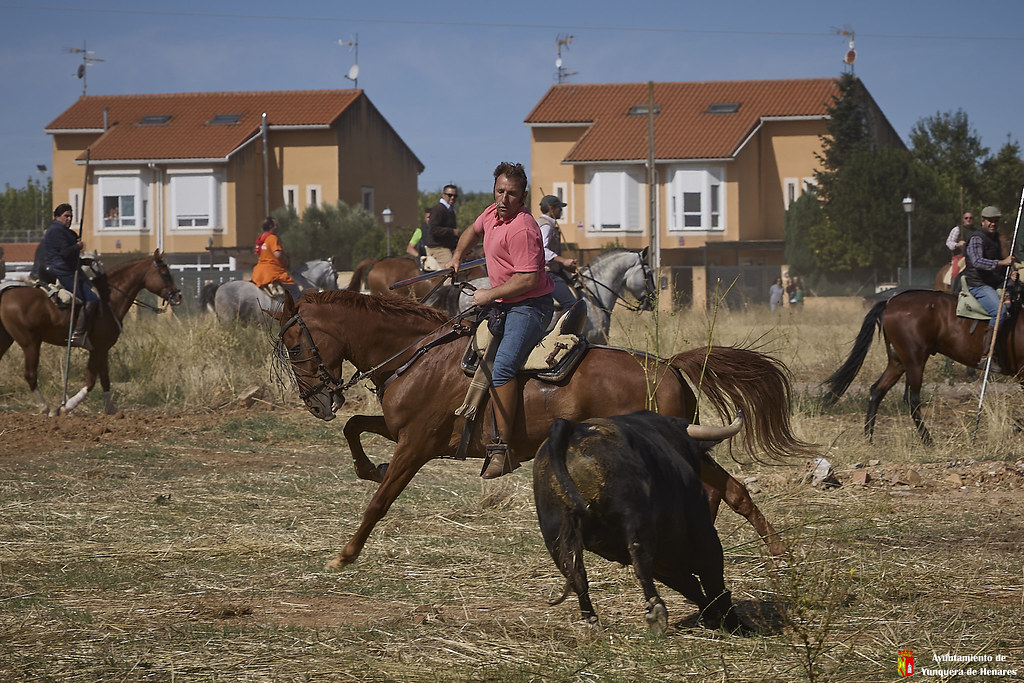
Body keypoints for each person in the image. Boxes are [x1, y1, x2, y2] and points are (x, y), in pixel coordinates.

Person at [445, 162, 554, 479]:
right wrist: (457, 256)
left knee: (504, 366)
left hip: (529, 306)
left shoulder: (523, 228)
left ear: (523, 197)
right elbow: (471, 231)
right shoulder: (492, 213)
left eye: (512, 194)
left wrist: (489, 294)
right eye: (500, 191)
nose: (504, 198)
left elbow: (528, 280)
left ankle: (503, 449)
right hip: (503, 303)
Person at [964, 205, 1015, 371]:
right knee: (998, 312)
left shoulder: (996, 238)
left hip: (993, 282)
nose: (993, 223)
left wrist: (1009, 273)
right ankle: (987, 356)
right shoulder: (977, 238)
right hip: (978, 284)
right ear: (983, 221)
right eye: (990, 221)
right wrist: (1001, 263)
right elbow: (977, 261)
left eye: (996, 221)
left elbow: (1001, 262)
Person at [43, 203, 98, 349]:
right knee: (92, 299)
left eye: (71, 216)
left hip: (66, 267)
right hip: (63, 271)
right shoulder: (56, 231)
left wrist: (82, 261)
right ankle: (78, 335)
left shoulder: (62, 231)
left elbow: (68, 255)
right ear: (57, 217)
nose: (69, 219)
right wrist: (78, 247)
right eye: (66, 216)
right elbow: (65, 253)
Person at [536, 194, 578, 310]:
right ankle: (562, 328)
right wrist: (563, 261)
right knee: (571, 304)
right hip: (547, 273)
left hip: (553, 271)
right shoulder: (546, 226)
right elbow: (543, 250)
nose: (561, 210)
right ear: (551, 208)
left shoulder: (547, 224)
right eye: (559, 208)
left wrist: (564, 266)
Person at [251, 217, 301, 300]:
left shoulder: (261, 238)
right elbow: (277, 254)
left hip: (259, 273)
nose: (277, 228)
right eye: (276, 225)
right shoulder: (272, 238)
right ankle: (292, 311)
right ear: (271, 227)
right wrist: (285, 253)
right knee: (295, 291)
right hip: (274, 272)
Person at [424, 185, 460, 266]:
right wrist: (452, 232)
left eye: (455, 196)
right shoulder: (438, 209)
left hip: (449, 246)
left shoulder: (450, 210)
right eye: (450, 195)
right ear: (443, 195)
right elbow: (433, 229)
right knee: (451, 267)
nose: (453, 198)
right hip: (438, 248)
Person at [945, 211, 973, 293]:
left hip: (972, 257)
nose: (968, 220)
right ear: (963, 219)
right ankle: (954, 291)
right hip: (960, 257)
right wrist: (957, 244)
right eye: (966, 218)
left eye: (970, 218)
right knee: (956, 271)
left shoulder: (976, 231)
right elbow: (948, 242)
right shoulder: (957, 229)